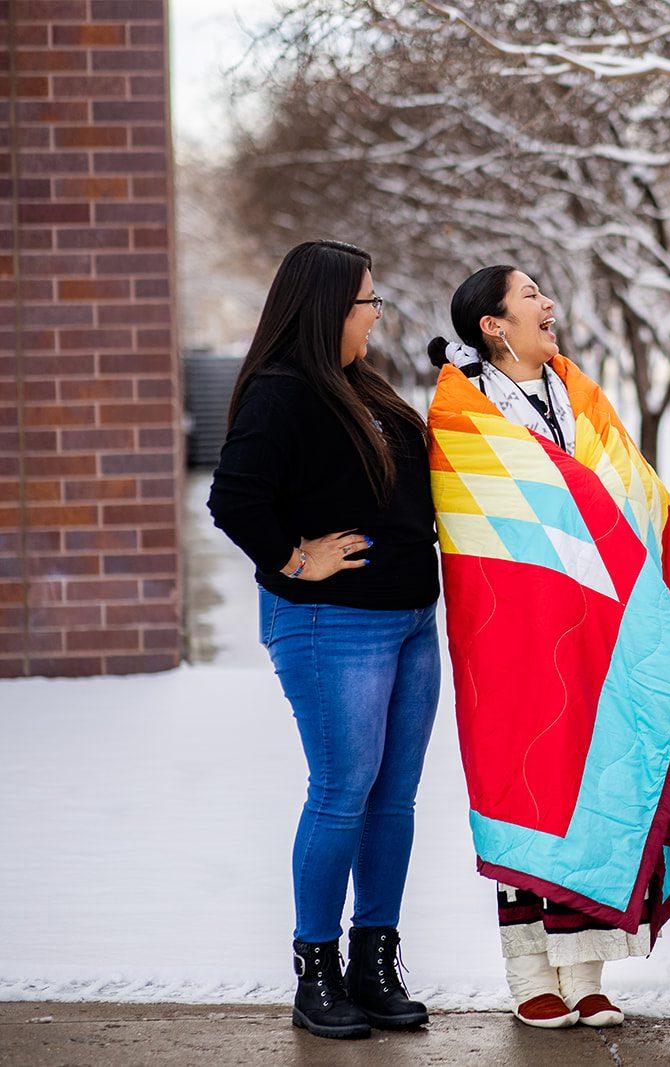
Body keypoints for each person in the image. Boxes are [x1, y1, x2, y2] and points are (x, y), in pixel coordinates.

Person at [426, 267, 670, 1031]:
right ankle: (530, 972)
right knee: (527, 777)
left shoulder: (579, 395)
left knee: (600, 768)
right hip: (510, 629)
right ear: (492, 326)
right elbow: (482, 518)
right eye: (530, 295)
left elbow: (624, 490)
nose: (549, 305)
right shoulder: (460, 414)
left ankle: (587, 969)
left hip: (601, 620)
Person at [208, 240, 438, 1040]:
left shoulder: (361, 386)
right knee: (343, 788)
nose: (375, 314)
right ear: (326, 308)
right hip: (331, 623)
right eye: (366, 301)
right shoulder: (283, 392)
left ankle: (375, 960)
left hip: (410, 620)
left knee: (393, 795)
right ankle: (318, 968)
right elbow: (234, 497)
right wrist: (295, 559)